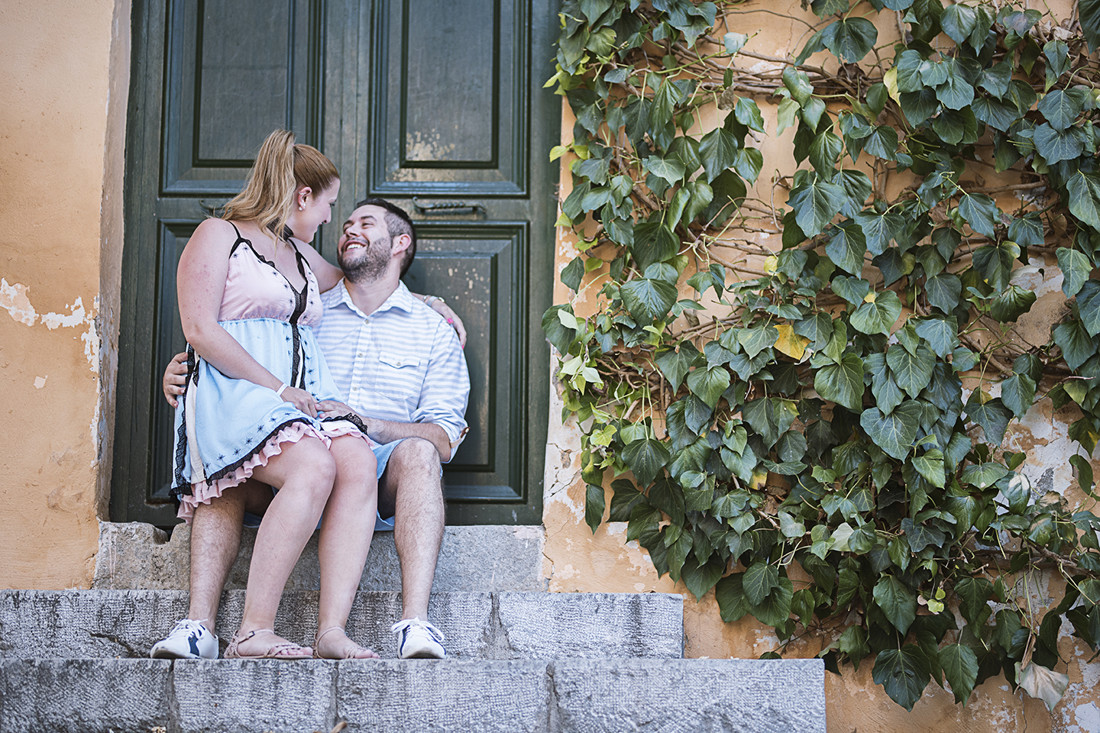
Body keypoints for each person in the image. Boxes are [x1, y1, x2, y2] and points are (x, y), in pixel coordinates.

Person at [155, 197, 470, 660]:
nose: (347, 230)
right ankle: (198, 626)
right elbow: (240, 342)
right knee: (235, 457)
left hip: (376, 468)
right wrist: (187, 373)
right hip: (296, 449)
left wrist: (368, 424)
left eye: (366, 223)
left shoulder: (432, 329)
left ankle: (415, 625)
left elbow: (443, 439)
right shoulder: (305, 305)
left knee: (419, 455)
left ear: (401, 242)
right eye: (344, 224)